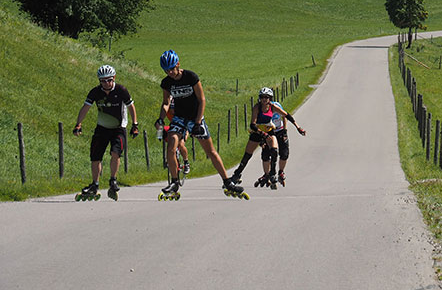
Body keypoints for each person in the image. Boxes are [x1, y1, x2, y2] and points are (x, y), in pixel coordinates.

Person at [156, 49, 243, 197]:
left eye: (171, 69)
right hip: (179, 118)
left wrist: (197, 122)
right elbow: (166, 102)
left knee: (210, 151)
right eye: (166, 70)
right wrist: (161, 118)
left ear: (177, 64)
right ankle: (174, 182)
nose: (170, 72)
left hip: (195, 117)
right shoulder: (166, 82)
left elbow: (202, 99)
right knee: (171, 145)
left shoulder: (191, 77)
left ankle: (227, 181)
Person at [74, 65, 138, 200]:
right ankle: (94, 184)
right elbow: (85, 107)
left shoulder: (121, 90)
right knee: (95, 155)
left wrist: (135, 124)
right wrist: (78, 124)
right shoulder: (95, 92)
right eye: (102, 81)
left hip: (119, 127)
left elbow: (131, 106)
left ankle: (113, 180)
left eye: (109, 80)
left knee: (116, 152)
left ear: (114, 78)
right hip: (102, 127)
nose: (106, 83)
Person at [230, 87, 305, 188]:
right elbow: (253, 125)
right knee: (247, 155)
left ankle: (272, 173)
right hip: (257, 132)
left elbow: (287, 115)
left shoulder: (273, 107)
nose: (264, 99)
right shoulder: (257, 107)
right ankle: (236, 175)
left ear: (270, 98)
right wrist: (263, 134)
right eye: (262, 97)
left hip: (269, 131)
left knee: (274, 150)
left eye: (267, 97)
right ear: (259, 98)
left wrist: (298, 127)